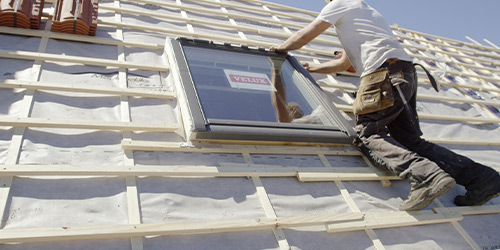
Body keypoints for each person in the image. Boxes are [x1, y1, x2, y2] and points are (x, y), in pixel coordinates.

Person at [271, 0, 500, 211]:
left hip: (383, 75)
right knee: (408, 140)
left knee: (369, 133)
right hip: (404, 73)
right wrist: (314, 68)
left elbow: (305, 34)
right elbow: (343, 62)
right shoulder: (365, 15)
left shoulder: (340, 3)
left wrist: (280, 51)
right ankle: (482, 179)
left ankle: (426, 177)